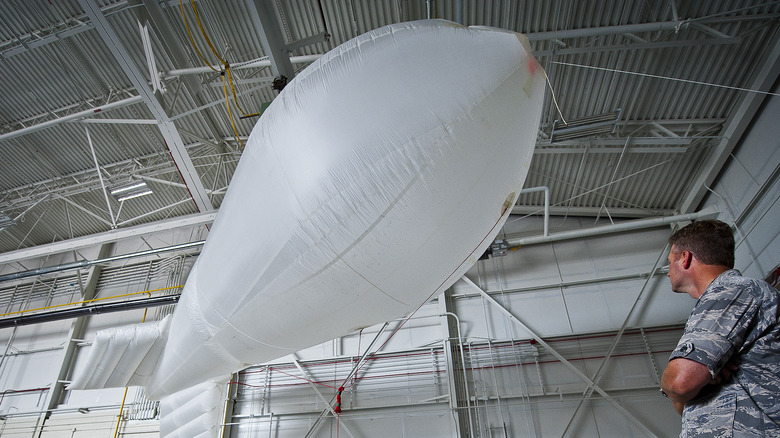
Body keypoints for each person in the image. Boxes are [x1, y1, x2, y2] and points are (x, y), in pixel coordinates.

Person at [660, 219, 779, 437]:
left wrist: (688, 379)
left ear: (685, 258)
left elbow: (679, 383)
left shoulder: (732, 292)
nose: (668, 272)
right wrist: (697, 380)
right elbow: (682, 402)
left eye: (670, 262)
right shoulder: (717, 301)